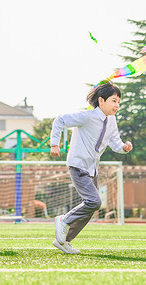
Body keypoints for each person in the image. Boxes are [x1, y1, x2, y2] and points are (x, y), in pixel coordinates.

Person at [50, 82, 132, 254]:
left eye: (119, 102)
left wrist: (124, 148)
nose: (117, 105)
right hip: (78, 165)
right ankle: (64, 220)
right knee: (94, 201)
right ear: (101, 101)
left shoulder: (111, 121)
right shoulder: (87, 116)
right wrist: (54, 144)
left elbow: (115, 142)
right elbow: (60, 120)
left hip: (92, 169)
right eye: (114, 101)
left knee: (91, 207)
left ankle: (64, 240)